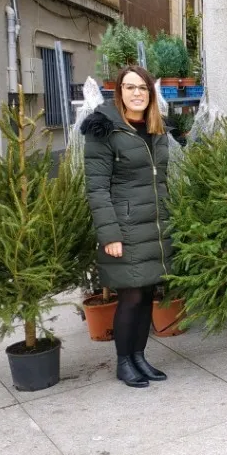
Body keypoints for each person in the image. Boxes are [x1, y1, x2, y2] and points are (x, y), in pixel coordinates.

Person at [82, 65, 173, 388]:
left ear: (150, 94)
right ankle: (124, 361)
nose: (137, 94)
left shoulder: (155, 128)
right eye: (130, 87)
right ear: (119, 91)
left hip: (154, 224)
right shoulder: (104, 129)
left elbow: (161, 180)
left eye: (143, 88)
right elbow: (96, 187)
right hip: (125, 226)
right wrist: (110, 234)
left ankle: (140, 357)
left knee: (147, 293)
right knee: (131, 296)